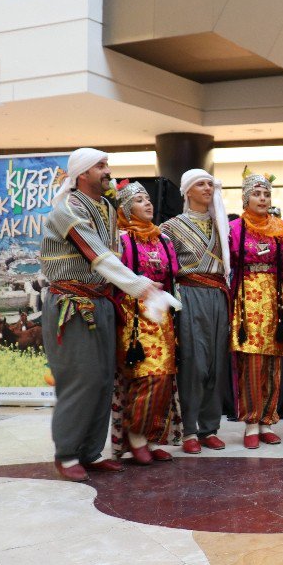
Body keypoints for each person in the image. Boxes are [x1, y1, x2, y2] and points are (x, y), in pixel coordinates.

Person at [39, 148, 171, 481]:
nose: (107, 171)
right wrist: (140, 286)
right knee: (79, 380)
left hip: (100, 302)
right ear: (82, 174)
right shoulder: (65, 210)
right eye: (100, 166)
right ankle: (67, 454)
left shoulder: (106, 208)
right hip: (71, 305)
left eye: (106, 164)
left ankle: (90, 452)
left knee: (101, 381)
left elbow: (110, 260)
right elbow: (99, 257)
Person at [160, 169, 232, 455]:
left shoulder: (222, 225)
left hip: (218, 294)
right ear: (187, 191)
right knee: (194, 362)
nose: (207, 188)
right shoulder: (170, 228)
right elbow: (166, 269)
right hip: (189, 296)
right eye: (200, 184)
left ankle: (209, 428)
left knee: (216, 361)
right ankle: (189, 429)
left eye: (210, 184)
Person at [110, 180, 181, 466]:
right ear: (127, 209)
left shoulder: (163, 240)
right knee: (144, 376)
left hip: (160, 313)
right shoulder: (121, 240)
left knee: (165, 376)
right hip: (133, 316)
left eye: (148, 199)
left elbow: (172, 275)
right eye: (140, 200)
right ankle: (134, 436)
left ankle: (152, 438)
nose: (148, 204)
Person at [229, 172, 283, 449]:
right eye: (257, 194)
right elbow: (229, 266)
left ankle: (268, 420)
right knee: (251, 363)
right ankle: (251, 422)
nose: (263, 199)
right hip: (247, 301)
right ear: (246, 198)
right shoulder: (234, 228)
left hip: (275, 300)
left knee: (272, 363)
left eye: (266, 194)